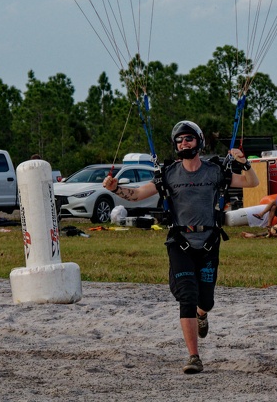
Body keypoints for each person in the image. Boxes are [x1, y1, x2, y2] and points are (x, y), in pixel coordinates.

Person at [101, 120, 259, 375]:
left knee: (205, 300)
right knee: (186, 297)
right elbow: (139, 194)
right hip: (180, 242)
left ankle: (202, 314)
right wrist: (116, 188)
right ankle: (194, 356)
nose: (184, 143)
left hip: (208, 241)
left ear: (198, 141)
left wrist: (244, 162)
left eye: (189, 139)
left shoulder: (215, 171)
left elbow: (252, 183)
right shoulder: (169, 174)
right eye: (180, 140)